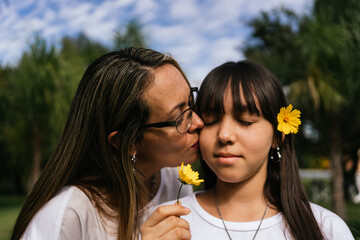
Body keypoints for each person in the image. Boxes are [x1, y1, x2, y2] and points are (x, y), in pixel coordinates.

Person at [11, 47, 203, 240]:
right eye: (179, 118)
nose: (198, 122)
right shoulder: (66, 218)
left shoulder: (174, 180)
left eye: (190, 102)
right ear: (126, 142)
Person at [161, 60, 354, 239]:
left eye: (245, 121)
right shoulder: (166, 224)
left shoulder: (326, 228)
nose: (224, 135)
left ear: (277, 136)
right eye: (211, 121)